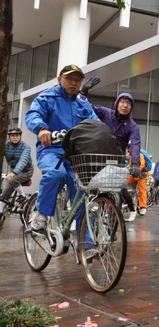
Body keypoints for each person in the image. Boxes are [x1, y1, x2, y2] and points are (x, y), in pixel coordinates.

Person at [25, 64, 100, 231]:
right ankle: (41, 213)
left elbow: (95, 123)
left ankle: (87, 247)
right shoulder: (48, 97)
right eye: (69, 79)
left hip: (76, 154)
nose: (73, 83)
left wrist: (105, 137)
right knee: (55, 174)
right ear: (59, 80)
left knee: (83, 191)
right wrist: (41, 129)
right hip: (52, 149)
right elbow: (33, 114)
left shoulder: (82, 102)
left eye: (77, 80)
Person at [0, 127, 34, 227]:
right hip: (13, 171)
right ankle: (1, 213)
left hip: (26, 171)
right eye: (12, 136)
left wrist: (14, 172)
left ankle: (22, 195)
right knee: (4, 194)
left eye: (17, 135)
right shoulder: (6, 146)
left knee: (11, 180)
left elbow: (23, 161)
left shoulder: (26, 147)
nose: (15, 137)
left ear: (20, 136)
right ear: (9, 137)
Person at [126, 144, 149, 217]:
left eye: (131, 147)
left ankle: (143, 207)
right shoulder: (127, 155)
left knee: (142, 190)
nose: (130, 149)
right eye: (129, 147)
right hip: (132, 174)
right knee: (124, 185)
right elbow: (125, 164)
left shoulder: (140, 155)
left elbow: (142, 164)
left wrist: (136, 169)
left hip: (141, 174)